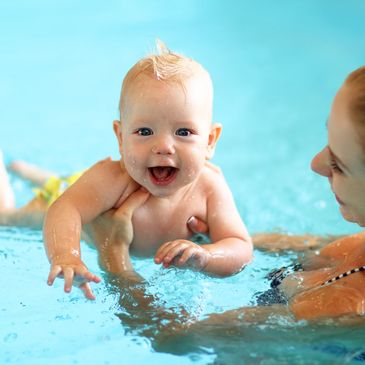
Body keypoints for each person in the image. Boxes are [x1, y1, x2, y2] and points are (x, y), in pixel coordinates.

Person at [100, 65, 365, 324]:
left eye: (338, 165)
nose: (316, 164)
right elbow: (295, 247)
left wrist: (113, 255)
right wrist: (210, 239)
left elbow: (174, 339)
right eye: (327, 140)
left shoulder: (342, 306)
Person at [42, 41, 253, 298]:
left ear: (209, 141)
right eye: (144, 131)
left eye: (183, 132)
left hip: (88, 194)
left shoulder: (209, 186)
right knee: (9, 217)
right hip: (68, 191)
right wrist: (66, 253)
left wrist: (207, 255)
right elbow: (65, 208)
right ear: (120, 138)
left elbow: (240, 246)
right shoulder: (112, 180)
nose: (164, 146)